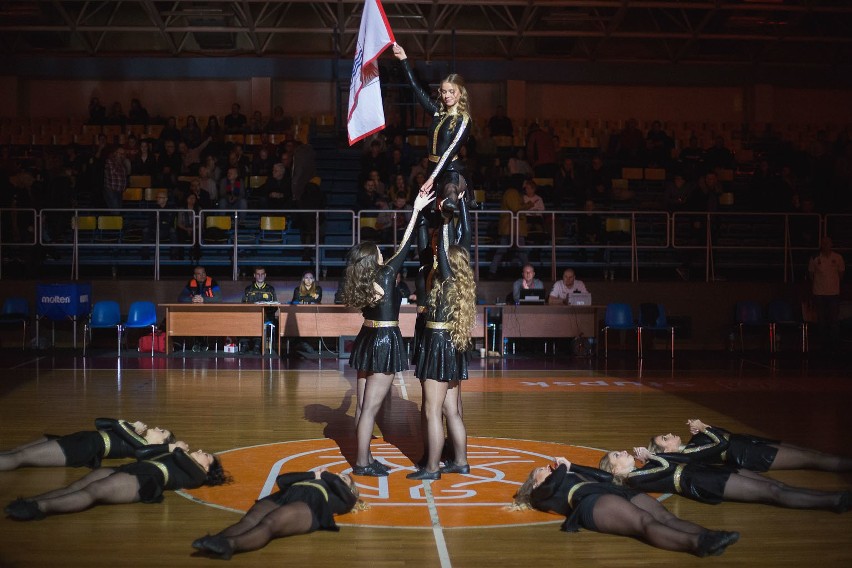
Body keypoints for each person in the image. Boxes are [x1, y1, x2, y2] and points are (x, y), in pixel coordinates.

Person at [339, 189, 434, 476]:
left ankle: (364, 457)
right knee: (370, 409)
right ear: (373, 258)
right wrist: (416, 209)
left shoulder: (364, 277)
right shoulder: (386, 273)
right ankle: (362, 463)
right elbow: (405, 245)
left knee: (361, 405)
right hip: (383, 340)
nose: (384, 252)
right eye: (379, 251)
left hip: (367, 337)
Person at [513, 457, 739, 557]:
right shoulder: (540, 493)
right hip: (592, 502)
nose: (546, 467)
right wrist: (562, 467)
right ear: (534, 481)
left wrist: (573, 465)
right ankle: (696, 543)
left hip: (613, 491)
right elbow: (553, 481)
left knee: (666, 518)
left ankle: (711, 536)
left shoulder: (566, 473)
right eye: (540, 469)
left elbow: (606, 477)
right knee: (643, 522)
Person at [408, 199, 476, 480]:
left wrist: (446, 222)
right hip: (451, 343)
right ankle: (460, 461)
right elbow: (467, 238)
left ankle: (433, 467)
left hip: (437, 343)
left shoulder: (445, 277)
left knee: (432, 412)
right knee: (452, 412)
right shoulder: (462, 279)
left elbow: (443, 251)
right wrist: (460, 206)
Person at [4, 448, 228, 521]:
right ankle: (33, 501)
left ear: (207, 468)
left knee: (94, 492)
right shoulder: (183, 458)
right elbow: (141, 452)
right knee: (74, 487)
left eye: (206, 455)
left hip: (145, 480)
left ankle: (41, 509)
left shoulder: (197, 476)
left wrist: (174, 448)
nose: (199, 451)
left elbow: (179, 455)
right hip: (131, 469)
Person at [600, 448, 852, 513]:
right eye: (616, 455)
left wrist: (652, 456)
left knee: (779, 486)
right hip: (702, 482)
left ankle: (832, 497)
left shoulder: (642, 470)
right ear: (615, 470)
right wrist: (652, 455)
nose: (622, 452)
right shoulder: (633, 479)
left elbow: (675, 459)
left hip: (705, 470)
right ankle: (833, 500)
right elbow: (667, 467)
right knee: (772, 491)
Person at [191, 469, 363, 560]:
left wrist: (327, 475)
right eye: (340, 474)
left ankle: (231, 545)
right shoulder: (318, 479)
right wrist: (314, 474)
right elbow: (282, 480)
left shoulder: (345, 498)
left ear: (350, 489)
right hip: (283, 496)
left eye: (345, 478)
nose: (339, 475)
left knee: (270, 523)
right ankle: (215, 541)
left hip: (310, 505)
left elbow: (342, 489)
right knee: (249, 520)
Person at [393, 43, 471, 215]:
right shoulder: (438, 113)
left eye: (451, 91)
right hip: (432, 168)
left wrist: (431, 178)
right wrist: (404, 60)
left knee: (448, 209)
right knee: (421, 215)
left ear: (460, 92)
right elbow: (415, 88)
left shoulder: (463, 120)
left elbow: (449, 152)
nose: (447, 95)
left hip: (451, 171)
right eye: (443, 92)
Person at [648, 418, 852, 473]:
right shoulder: (691, 453)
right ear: (668, 450)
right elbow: (721, 444)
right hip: (750, 454)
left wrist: (708, 427)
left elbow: (724, 433)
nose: (668, 434)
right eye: (665, 439)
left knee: (810, 452)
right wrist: (705, 428)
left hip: (748, 441)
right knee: (812, 459)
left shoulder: (693, 443)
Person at [0, 418, 178, 471]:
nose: (156, 427)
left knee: (21, 457)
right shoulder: (135, 436)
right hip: (82, 438)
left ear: (160, 442)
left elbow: (117, 426)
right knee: (17, 451)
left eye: (161, 431)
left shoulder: (142, 444)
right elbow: (100, 422)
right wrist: (129, 427)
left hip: (83, 447)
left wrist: (127, 426)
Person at [808, 236, 845, 351]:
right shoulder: (815, 258)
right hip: (819, 293)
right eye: (823, 243)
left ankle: (834, 343)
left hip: (833, 293)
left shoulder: (838, 257)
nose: (826, 246)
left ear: (831, 244)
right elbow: (811, 274)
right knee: (822, 319)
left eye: (827, 243)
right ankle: (823, 343)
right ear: (821, 245)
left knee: (834, 319)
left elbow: (841, 274)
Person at [241, 266, 278, 354]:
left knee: (262, 320)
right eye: (258, 274)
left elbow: (275, 306)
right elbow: (243, 305)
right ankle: (244, 344)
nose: (260, 276)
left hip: (266, 317)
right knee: (241, 319)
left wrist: (265, 311)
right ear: (254, 275)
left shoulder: (270, 289)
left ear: (265, 275)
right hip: (251, 316)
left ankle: (257, 345)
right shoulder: (248, 289)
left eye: (262, 274)